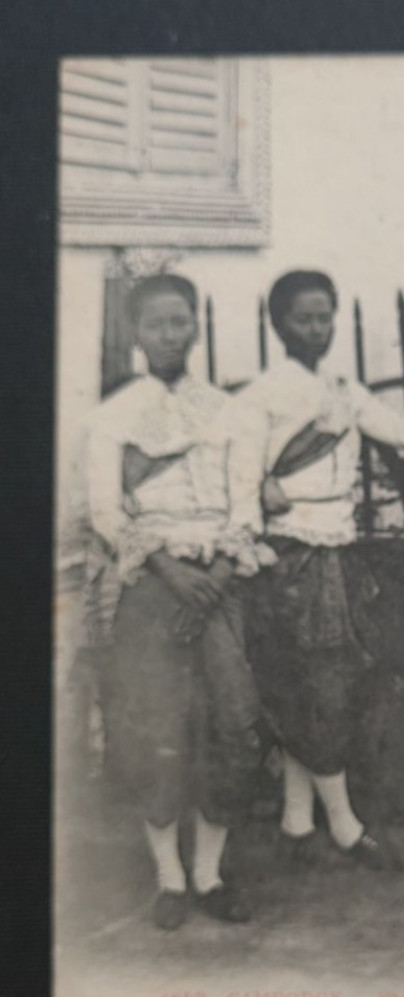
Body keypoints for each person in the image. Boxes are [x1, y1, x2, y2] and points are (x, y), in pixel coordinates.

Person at [229, 269, 404, 869]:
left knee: (326, 681)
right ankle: (345, 824)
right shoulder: (259, 397)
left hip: (340, 549)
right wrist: (259, 512)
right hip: (290, 554)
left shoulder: (344, 389)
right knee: (314, 682)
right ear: (279, 324)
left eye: (326, 315)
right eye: (304, 317)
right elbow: (240, 479)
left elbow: (403, 437)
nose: (318, 328)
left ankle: (298, 820)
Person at [83, 274, 275, 930]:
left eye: (181, 321)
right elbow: (107, 510)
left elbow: (245, 501)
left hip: (220, 582)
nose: (171, 334)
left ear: (196, 326)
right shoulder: (113, 417)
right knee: (157, 725)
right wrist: (167, 569)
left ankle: (210, 873)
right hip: (152, 585)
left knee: (232, 724)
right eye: (157, 323)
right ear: (137, 334)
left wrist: (217, 573)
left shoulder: (230, 411)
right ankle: (168, 876)